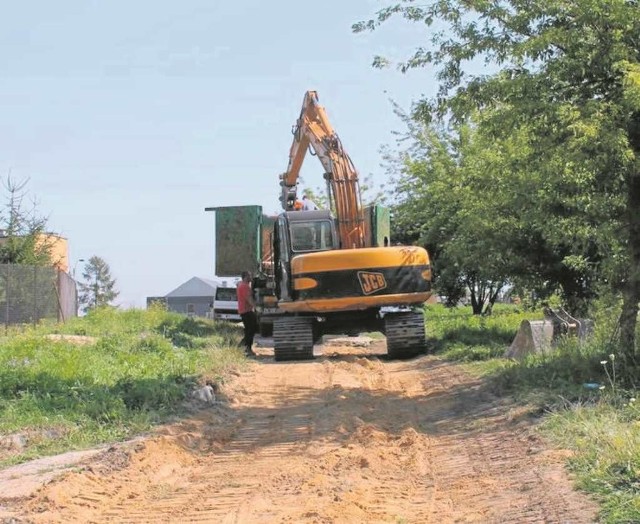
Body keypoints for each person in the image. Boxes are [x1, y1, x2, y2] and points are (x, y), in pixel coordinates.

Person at [237, 271, 257, 357]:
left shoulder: (241, 285)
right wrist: (256, 307)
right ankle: (246, 348)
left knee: (249, 329)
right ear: (245, 277)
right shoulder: (245, 286)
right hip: (246, 311)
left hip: (244, 310)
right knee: (251, 329)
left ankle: (243, 346)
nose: (251, 277)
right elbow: (249, 299)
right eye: (249, 276)